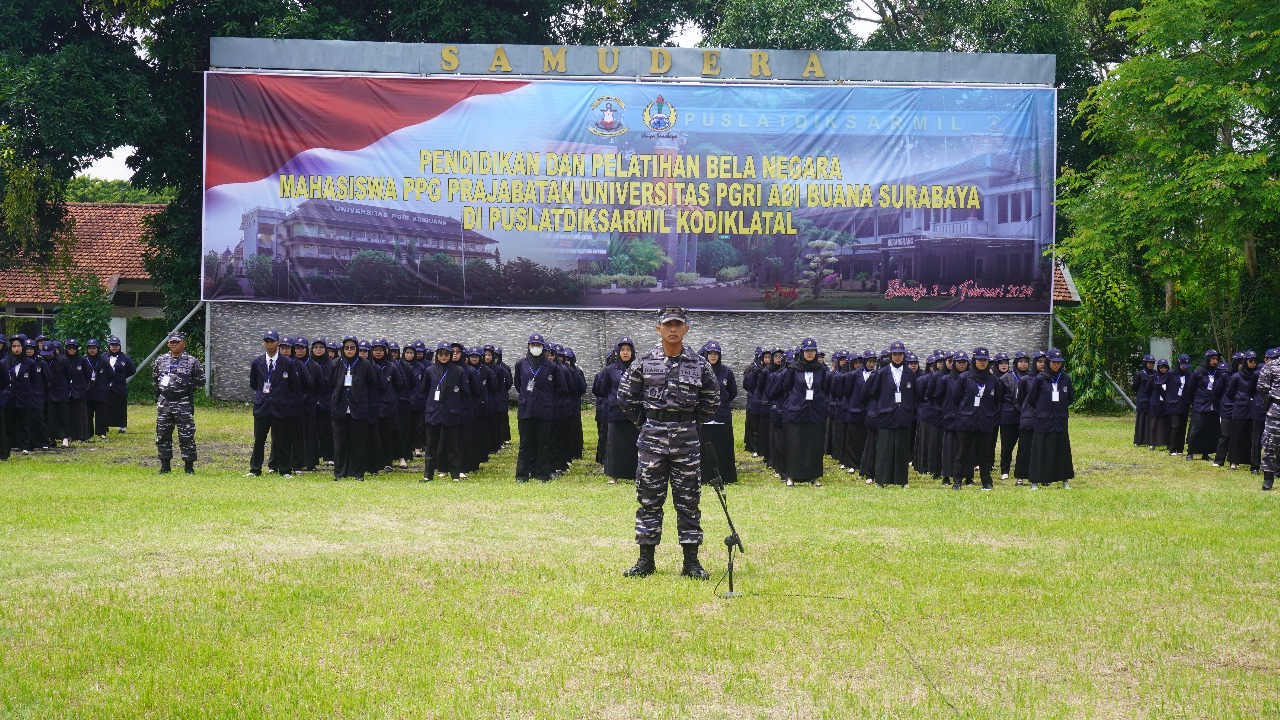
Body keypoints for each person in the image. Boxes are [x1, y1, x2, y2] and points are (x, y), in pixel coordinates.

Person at [616, 306, 720, 579]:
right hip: (652, 440)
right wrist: (648, 421)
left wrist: (690, 422)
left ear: (686, 329)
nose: (673, 328)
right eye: (667, 324)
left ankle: (691, 563)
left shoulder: (699, 364)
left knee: (688, 501)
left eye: (678, 324)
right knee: (649, 499)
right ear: (658, 329)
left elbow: (712, 400)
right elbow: (626, 397)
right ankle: (645, 561)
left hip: (687, 441)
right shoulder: (644, 362)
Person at [772, 337, 827, 486]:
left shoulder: (821, 369)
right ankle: (791, 476)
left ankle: (814, 476)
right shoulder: (793, 369)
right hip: (797, 411)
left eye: (812, 351)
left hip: (815, 412)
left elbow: (826, 388)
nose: (810, 353)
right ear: (802, 352)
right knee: (795, 444)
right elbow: (785, 387)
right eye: (807, 351)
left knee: (813, 445)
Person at [863, 341, 917, 487]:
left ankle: (902, 480)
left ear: (904, 356)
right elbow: (873, 393)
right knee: (884, 448)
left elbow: (915, 394)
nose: (897, 357)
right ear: (890, 355)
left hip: (903, 415)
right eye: (895, 354)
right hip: (886, 414)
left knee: (901, 448)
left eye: (900, 354)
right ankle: (881, 479)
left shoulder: (910, 373)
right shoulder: (882, 373)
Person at [247, 330, 300, 477]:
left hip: (280, 407)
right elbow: (254, 383)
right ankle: (255, 469)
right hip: (262, 406)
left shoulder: (287, 362)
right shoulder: (257, 362)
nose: (269, 344)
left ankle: (284, 469)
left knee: (281, 440)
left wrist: (282, 399)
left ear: (278, 342)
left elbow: (293, 385)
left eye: (272, 341)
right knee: (259, 440)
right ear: (263, 343)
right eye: (267, 341)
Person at [952, 347, 1004, 490]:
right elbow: (956, 398)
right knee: (962, 452)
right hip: (966, 420)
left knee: (984, 454)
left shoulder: (993, 379)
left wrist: (989, 413)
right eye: (980, 360)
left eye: (985, 360)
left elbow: (998, 400)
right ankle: (957, 481)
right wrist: (965, 412)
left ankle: (986, 482)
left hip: (985, 421)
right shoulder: (964, 377)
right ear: (974, 360)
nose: (982, 363)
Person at [1024, 348, 1075, 489]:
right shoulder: (1040, 378)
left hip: (1060, 420)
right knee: (1040, 450)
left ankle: (1064, 480)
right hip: (1043, 420)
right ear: (1048, 362)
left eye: (1059, 363)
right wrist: (1044, 409)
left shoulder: (1065, 378)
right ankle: (1035, 481)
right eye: (1054, 362)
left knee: (1061, 450)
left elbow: (1070, 398)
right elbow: (1032, 399)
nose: (1057, 365)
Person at [513, 333, 561, 483]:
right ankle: (522, 474)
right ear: (528, 347)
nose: (535, 348)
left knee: (543, 443)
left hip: (544, 409)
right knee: (525, 444)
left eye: (538, 345)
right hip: (526, 408)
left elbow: (558, 387)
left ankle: (542, 474)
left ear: (543, 347)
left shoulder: (551, 365)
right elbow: (518, 384)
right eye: (533, 345)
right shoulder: (521, 364)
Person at [153, 332, 201, 474]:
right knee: (162, 434)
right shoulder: (160, 360)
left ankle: (189, 467)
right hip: (165, 402)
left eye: (177, 342)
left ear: (183, 343)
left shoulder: (192, 361)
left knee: (186, 435)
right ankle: (165, 466)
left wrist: (185, 388)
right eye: (171, 342)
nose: (174, 344)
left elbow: (200, 380)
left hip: (183, 402)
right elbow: (156, 378)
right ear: (168, 344)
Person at [421, 340, 470, 481]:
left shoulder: (458, 371)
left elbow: (465, 393)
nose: (443, 356)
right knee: (431, 446)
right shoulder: (430, 370)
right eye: (441, 354)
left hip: (451, 412)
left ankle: (455, 475)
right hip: (434, 412)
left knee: (453, 446)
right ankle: (428, 475)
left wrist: (458, 407)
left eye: (446, 354)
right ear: (437, 355)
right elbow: (424, 390)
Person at [594, 336, 639, 484]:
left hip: (633, 412)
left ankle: (634, 473)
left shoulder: (638, 367)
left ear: (632, 352)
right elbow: (603, 389)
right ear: (618, 352)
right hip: (615, 411)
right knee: (615, 445)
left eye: (628, 350)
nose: (625, 353)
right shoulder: (610, 369)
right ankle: (614, 475)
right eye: (622, 350)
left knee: (633, 444)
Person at [330, 335, 372, 481]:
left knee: (358, 442)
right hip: (340, 407)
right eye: (346, 347)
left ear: (357, 349)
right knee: (339, 442)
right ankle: (340, 472)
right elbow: (329, 383)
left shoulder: (365, 364)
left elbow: (371, 384)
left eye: (352, 347)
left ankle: (357, 472)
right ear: (342, 349)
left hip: (358, 408)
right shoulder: (335, 363)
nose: (349, 350)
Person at [699, 340, 739, 485]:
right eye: (710, 353)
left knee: (723, 447)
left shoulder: (726, 371)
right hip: (706, 417)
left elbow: (732, 392)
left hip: (722, 417)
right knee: (705, 448)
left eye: (716, 354)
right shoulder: (701, 370)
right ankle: (706, 477)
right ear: (706, 354)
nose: (713, 356)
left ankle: (725, 476)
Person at [1225, 351, 1261, 472]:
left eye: (1255, 361)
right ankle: (1234, 462)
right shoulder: (1237, 376)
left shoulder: (1257, 375)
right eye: (1251, 361)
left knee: (1252, 437)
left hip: (1254, 409)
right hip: (1240, 409)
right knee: (1237, 435)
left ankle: (1252, 461)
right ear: (1245, 361)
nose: (1253, 363)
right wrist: (1240, 399)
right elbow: (1229, 393)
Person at [1183, 349, 1221, 461]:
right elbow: (1191, 389)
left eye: (1217, 359)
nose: (1215, 361)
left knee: (1209, 429)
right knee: (1198, 428)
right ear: (1208, 359)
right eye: (1213, 359)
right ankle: (1190, 452)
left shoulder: (1217, 372)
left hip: (1213, 405)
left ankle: (1206, 453)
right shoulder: (1198, 372)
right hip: (1200, 404)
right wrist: (1192, 403)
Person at [1258, 347, 1280, 491]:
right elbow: (1262, 387)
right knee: (1270, 444)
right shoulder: (1272, 366)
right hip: (1276, 410)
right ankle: (1268, 478)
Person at [83, 339, 113, 439]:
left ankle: (101, 432)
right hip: (88, 392)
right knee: (88, 413)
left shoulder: (103, 361)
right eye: (90, 348)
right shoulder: (84, 361)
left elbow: (111, 375)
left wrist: (104, 384)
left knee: (101, 413)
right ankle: (88, 433)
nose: (92, 350)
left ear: (97, 349)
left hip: (101, 391)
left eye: (94, 348)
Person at [104, 335, 135, 433]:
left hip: (120, 386)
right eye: (112, 345)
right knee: (106, 406)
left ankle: (122, 427)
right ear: (109, 346)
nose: (114, 347)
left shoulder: (125, 357)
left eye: (116, 345)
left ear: (119, 346)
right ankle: (105, 425)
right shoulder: (104, 356)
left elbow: (132, 370)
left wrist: (122, 377)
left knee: (120, 406)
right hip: (106, 386)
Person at [1132, 355, 1156, 447]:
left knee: (1150, 421)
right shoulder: (1140, 374)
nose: (1151, 365)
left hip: (1152, 400)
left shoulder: (1155, 373)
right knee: (1141, 420)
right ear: (1145, 363)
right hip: (1142, 400)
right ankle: (1138, 441)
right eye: (1150, 363)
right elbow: (1135, 387)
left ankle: (1151, 441)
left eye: (1153, 363)